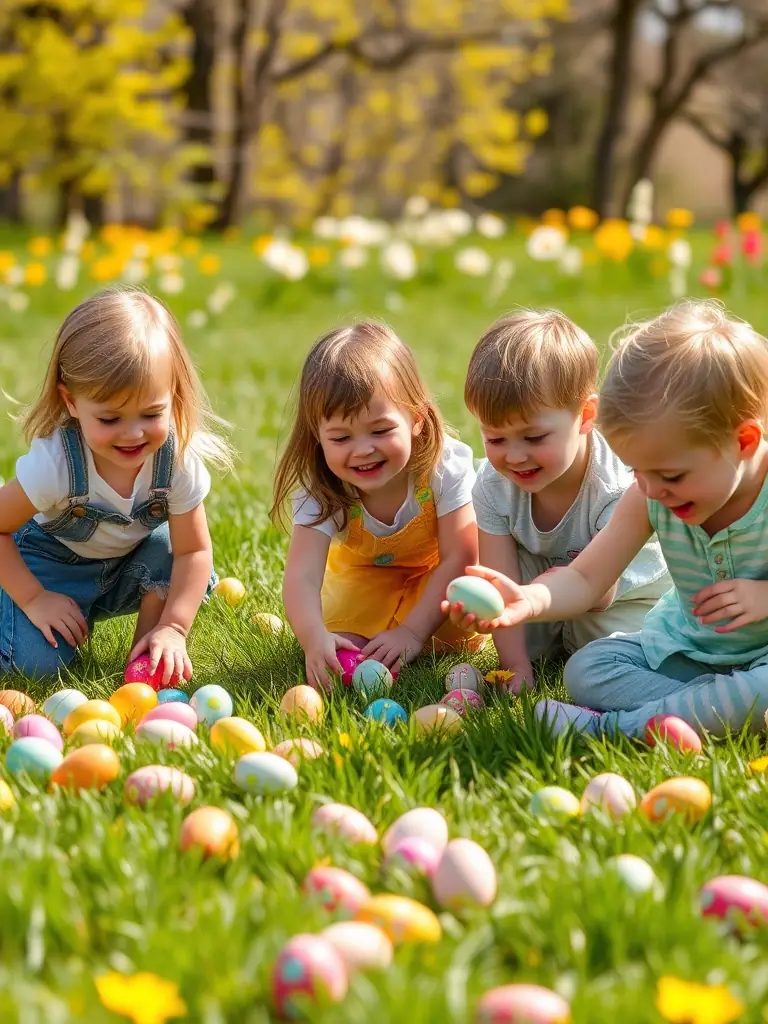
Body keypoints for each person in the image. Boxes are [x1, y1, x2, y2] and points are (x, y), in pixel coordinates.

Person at [446, 300, 768, 739]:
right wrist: (529, 597)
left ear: (745, 441)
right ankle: (718, 706)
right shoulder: (650, 495)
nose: (651, 490)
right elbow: (584, 579)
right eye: (638, 471)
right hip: (691, 649)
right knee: (588, 668)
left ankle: (614, 729)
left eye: (670, 475)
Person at [0, 286, 232, 684]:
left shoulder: (175, 461)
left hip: (124, 566)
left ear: (172, 395)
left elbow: (193, 551)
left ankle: (147, 656)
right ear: (71, 402)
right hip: (47, 566)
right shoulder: (55, 466)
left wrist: (175, 627)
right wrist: (35, 599)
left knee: (170, 548)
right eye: (110, 419)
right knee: (35, 668)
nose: (133, 434)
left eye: (151, 413)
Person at [464, 308, 669, 693]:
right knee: (529, 644)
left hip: (616, 594)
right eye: (495, 439)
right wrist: (515, 665)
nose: (515, 456)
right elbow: (502, 578)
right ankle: (550, 639)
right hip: (543, 583)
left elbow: (597, 593)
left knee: (599, 644)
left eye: (534, 437)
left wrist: (534, 601)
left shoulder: (613, 487)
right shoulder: (492, 487)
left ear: (586, 415)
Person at [272, 321, 480, 689]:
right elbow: (302, 575)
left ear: (416, 419)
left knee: (455, 623)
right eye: (340, 437)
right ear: (317, 435)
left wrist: (413, 632)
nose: (363, 449)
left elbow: (461, 557)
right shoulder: (322, 486)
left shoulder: (443, 466)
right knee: (341, 632)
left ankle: (414, 627)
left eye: (381, 430)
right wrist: (312, 639)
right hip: (366, 573)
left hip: (438, 572)